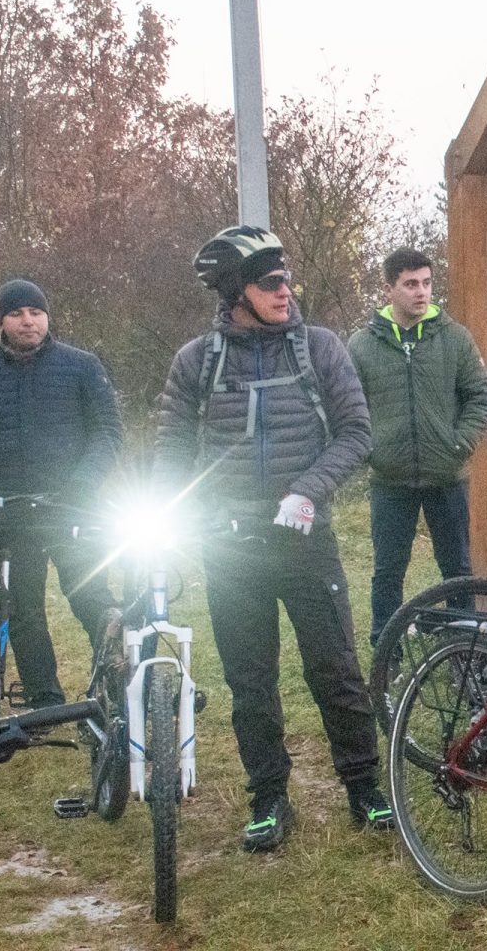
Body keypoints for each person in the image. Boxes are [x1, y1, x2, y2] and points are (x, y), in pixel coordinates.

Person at [153, 225, 391, 852]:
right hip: (228, 547)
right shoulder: (195, 362)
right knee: (250, 680)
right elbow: (172, 452)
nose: (286, 290)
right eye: (269, 282)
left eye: (287, 279)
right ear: (236, 292)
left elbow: (356, 434)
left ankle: (364, 788)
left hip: (304, 539)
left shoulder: (320, 349)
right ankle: (268, 799)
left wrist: (308, 488)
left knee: (335, 670)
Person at [0, 280, 120, 708]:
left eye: (36, 312)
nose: (29, 321)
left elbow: (110, 434)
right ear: (2, 321)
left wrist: (82, 483)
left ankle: (118, 691)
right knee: (23, 611)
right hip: (11, 511)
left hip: (73, 507)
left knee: (89, 597)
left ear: (47, 317)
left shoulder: (81, 366)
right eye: (17, 313)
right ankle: (45, 705)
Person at [347, 247, 487, 646]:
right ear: (389, 288)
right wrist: (371, 449)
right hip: (389, 479)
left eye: (426, 283)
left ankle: (466, 649)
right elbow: (349, 407)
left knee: (457, 568)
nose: (421, 292)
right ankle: (385, 649)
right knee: (388, 570)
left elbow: (480, 396)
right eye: (411, 284)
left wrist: (460, 442)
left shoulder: (456, 338)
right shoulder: (361, 345)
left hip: (447, 474)